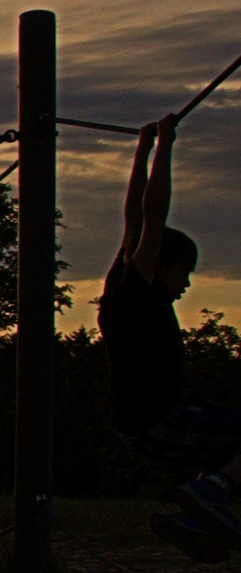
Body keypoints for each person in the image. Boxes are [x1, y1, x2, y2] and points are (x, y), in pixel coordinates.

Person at [103, 115, 241, 560]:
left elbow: (132, 218)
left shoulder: (118, 288)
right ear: (163, 263)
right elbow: (151, 213)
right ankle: (212, 494)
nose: (186, 285)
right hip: (159, 420)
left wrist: (142, 149)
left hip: (142, 422)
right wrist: (166, 145)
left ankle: (199, 516)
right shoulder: (139, 290)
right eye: (185, 272)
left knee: (229, 438)